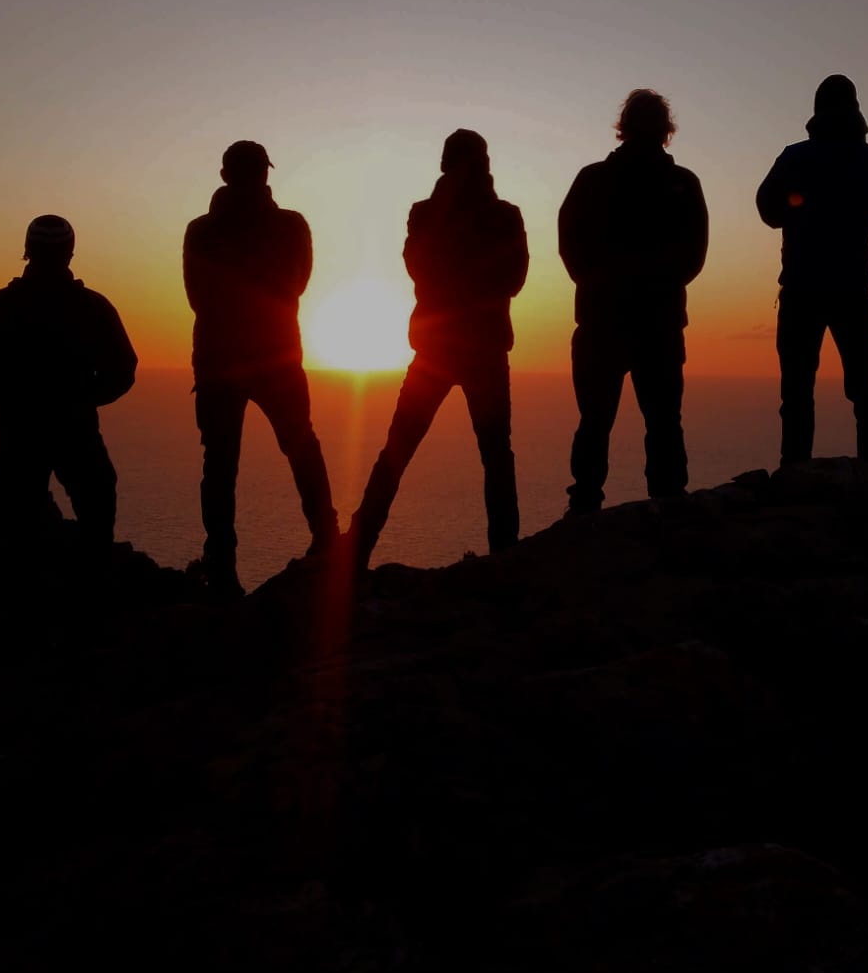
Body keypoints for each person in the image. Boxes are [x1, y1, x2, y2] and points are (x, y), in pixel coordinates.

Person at [347, 131, 529, 565]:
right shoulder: (494, 216)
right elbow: (509, 278)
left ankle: (355, 550)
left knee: (403, 449)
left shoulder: (433, 214)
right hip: (472, 349)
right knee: (494, 457)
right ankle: (505, 555)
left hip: (441, 350)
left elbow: (424, 269)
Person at [182, 141, 339, 595]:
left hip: (217, 360)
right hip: (277, 356)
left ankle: (222, 568)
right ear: (264, 175)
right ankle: (326, 539)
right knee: (301, 445)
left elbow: (197, 297)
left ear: (224, 175)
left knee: (220, 465)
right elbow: (299, 283)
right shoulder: (291, 226)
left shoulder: (201, 230)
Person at [558, 89, 709, 512]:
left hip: (601, 321)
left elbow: (570, 246)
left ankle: (584, 509)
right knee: (663, 421)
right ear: (666, 131)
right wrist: (656, 283)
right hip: (658, 322)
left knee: (595, 422)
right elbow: (693, 257)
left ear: (623, 128)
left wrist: (597, 284)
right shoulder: (683, 184)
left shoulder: (592, 180)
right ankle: (668, 505)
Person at [0, 214, 138, 542]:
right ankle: (94, 585)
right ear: (70, 253)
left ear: (27, 251)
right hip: (77, 429)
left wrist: (14, 395)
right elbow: (123, 370)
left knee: (16, 527)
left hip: (19, 432)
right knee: (96, 513)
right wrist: (84, 396)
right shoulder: (94, 307)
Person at [755, 74, 868, 469]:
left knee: (797, 388)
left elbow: (768, 210)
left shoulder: (796, 157)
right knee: (863, 384)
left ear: (817, 109)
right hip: (853, 284)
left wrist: (797, 204)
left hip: (802, 285)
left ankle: (794, 469)